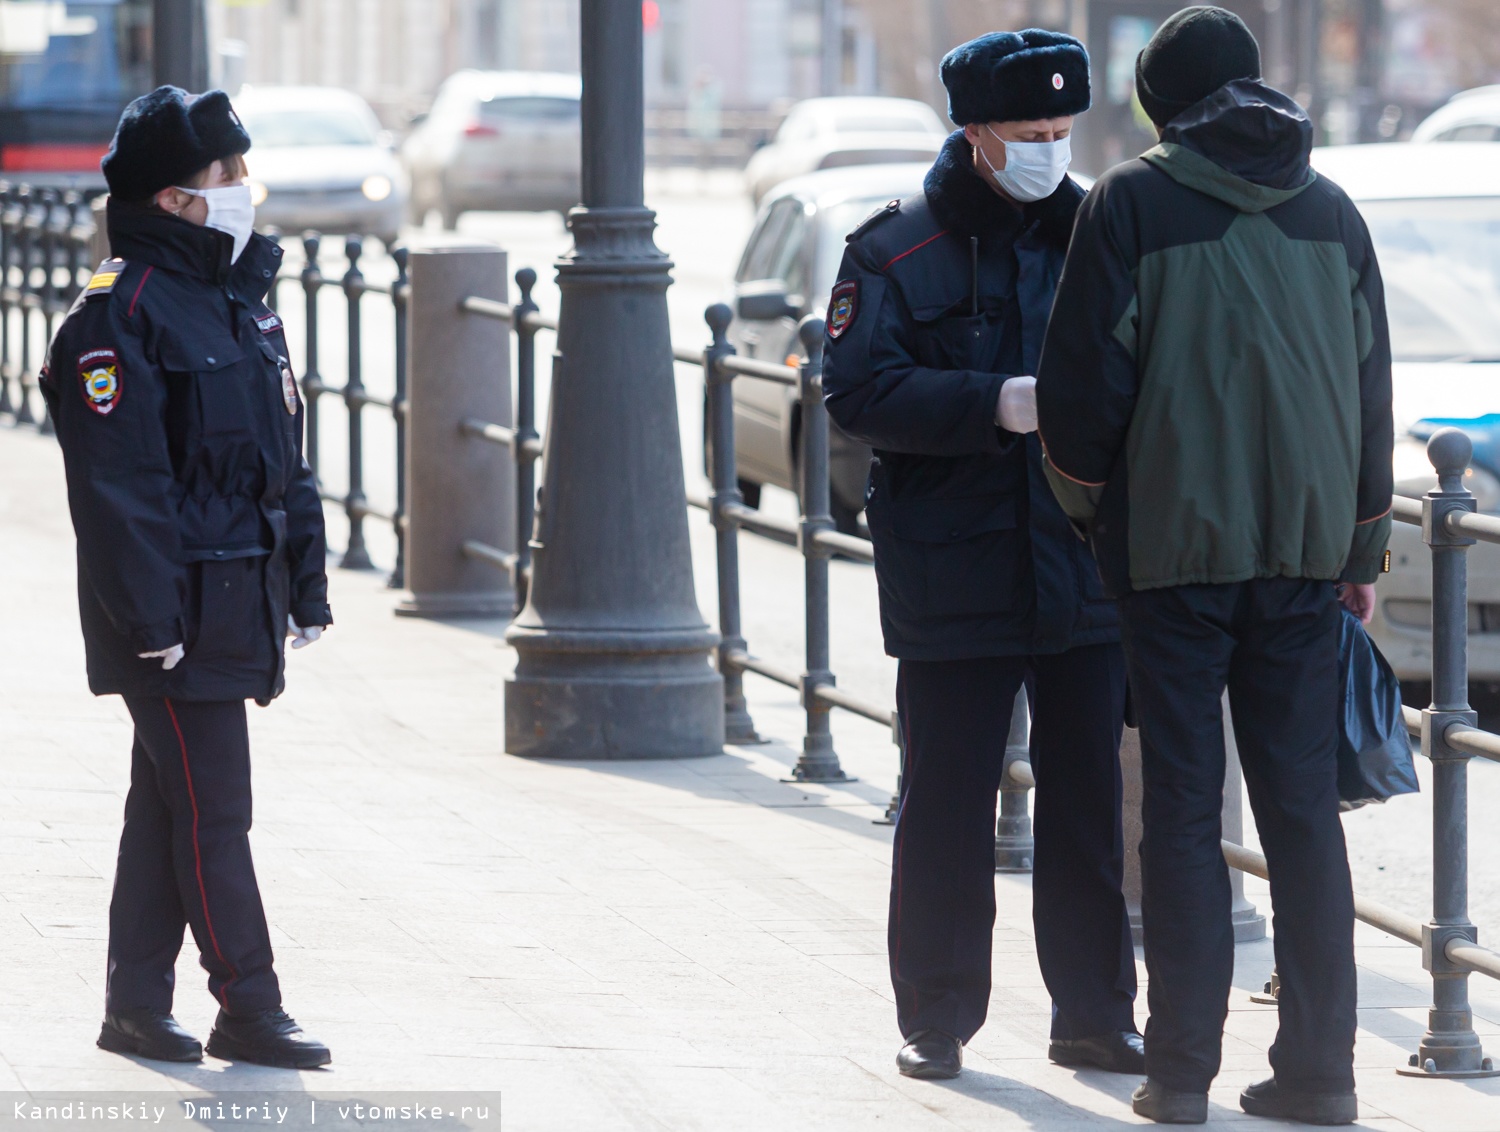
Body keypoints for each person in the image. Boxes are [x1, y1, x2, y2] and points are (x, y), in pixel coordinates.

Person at [1035, 7, 1392, 1125]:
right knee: (1301, 815)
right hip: (1300, 565)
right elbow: (1373, 400)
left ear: (1162, 105)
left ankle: (1179, 1073)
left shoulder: (1130, 204)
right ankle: (1321, 1077)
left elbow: (1078, 399)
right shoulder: (1333, 211)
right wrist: (1361, 546)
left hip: (1169, 562)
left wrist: (1094, 517)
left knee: (1182, 812)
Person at [822, 30, 1142, 1081]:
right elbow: (858, 391)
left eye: (1062, 130)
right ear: (975, 134)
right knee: (946, 804)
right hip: (951, 564)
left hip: (1084, 565)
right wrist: (991, 403)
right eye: (1027, 133)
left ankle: (1095, 1011)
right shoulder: (894, 249)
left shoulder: (1104, 230)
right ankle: (938, 1015)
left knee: (1090, 803)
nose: (1050, 149)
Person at [41, 86, 333, 1069]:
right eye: (228, 175)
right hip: (171, 620)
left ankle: (133, 1005)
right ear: (174, 199)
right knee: (217, 810)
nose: (247, 190)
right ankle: (247, 1004)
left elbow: (281, 457)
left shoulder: (234, 299)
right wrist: (152, 618)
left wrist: (305, 582)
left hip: (232, 601)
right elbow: (122, 487)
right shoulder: (111, 319)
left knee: (166, 803)